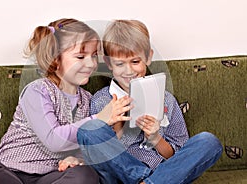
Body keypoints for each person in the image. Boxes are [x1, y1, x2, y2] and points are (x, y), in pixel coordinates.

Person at [0, 18, 131, 184]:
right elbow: (54, 140)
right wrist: (100, 118)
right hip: (10, 172)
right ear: (55, 59)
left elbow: (85, 146)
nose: (91, 63)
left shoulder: (87, 100)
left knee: (86, 175)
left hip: (50, 176)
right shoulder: (38, 91)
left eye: (94, 56)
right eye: (81, 56)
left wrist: (76, 159)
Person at [77, 19, 223, 184]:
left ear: (148, 57)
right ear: (109, 63)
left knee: (208, 142)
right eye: (120, 63)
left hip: (164, 172)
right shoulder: (102, 100)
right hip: (120, 177)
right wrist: (117, 128)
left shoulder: (166, 99)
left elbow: (179, 156)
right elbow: (102, 157)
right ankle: (145, 181)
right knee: (88, 130)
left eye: (135, 61)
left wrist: (155, 138)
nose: (129, 70)